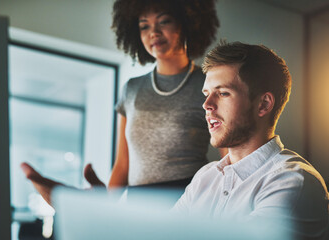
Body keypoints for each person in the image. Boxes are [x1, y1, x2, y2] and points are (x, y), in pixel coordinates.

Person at [21, 0, 221, 205]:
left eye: (164, 21)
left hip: (188, 200)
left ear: (187, 22)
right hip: (137, 202)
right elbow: (122, 164)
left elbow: (229, 158)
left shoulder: (208, 83)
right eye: (144, 26)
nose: (153, 32)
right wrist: (107, 208)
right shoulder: (131, 89)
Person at [173, 41, 329, 239]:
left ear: (263, 104)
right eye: (206, 94)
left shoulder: (293, 182)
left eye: (222, 93)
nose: (207, 104)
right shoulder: (205, 178)